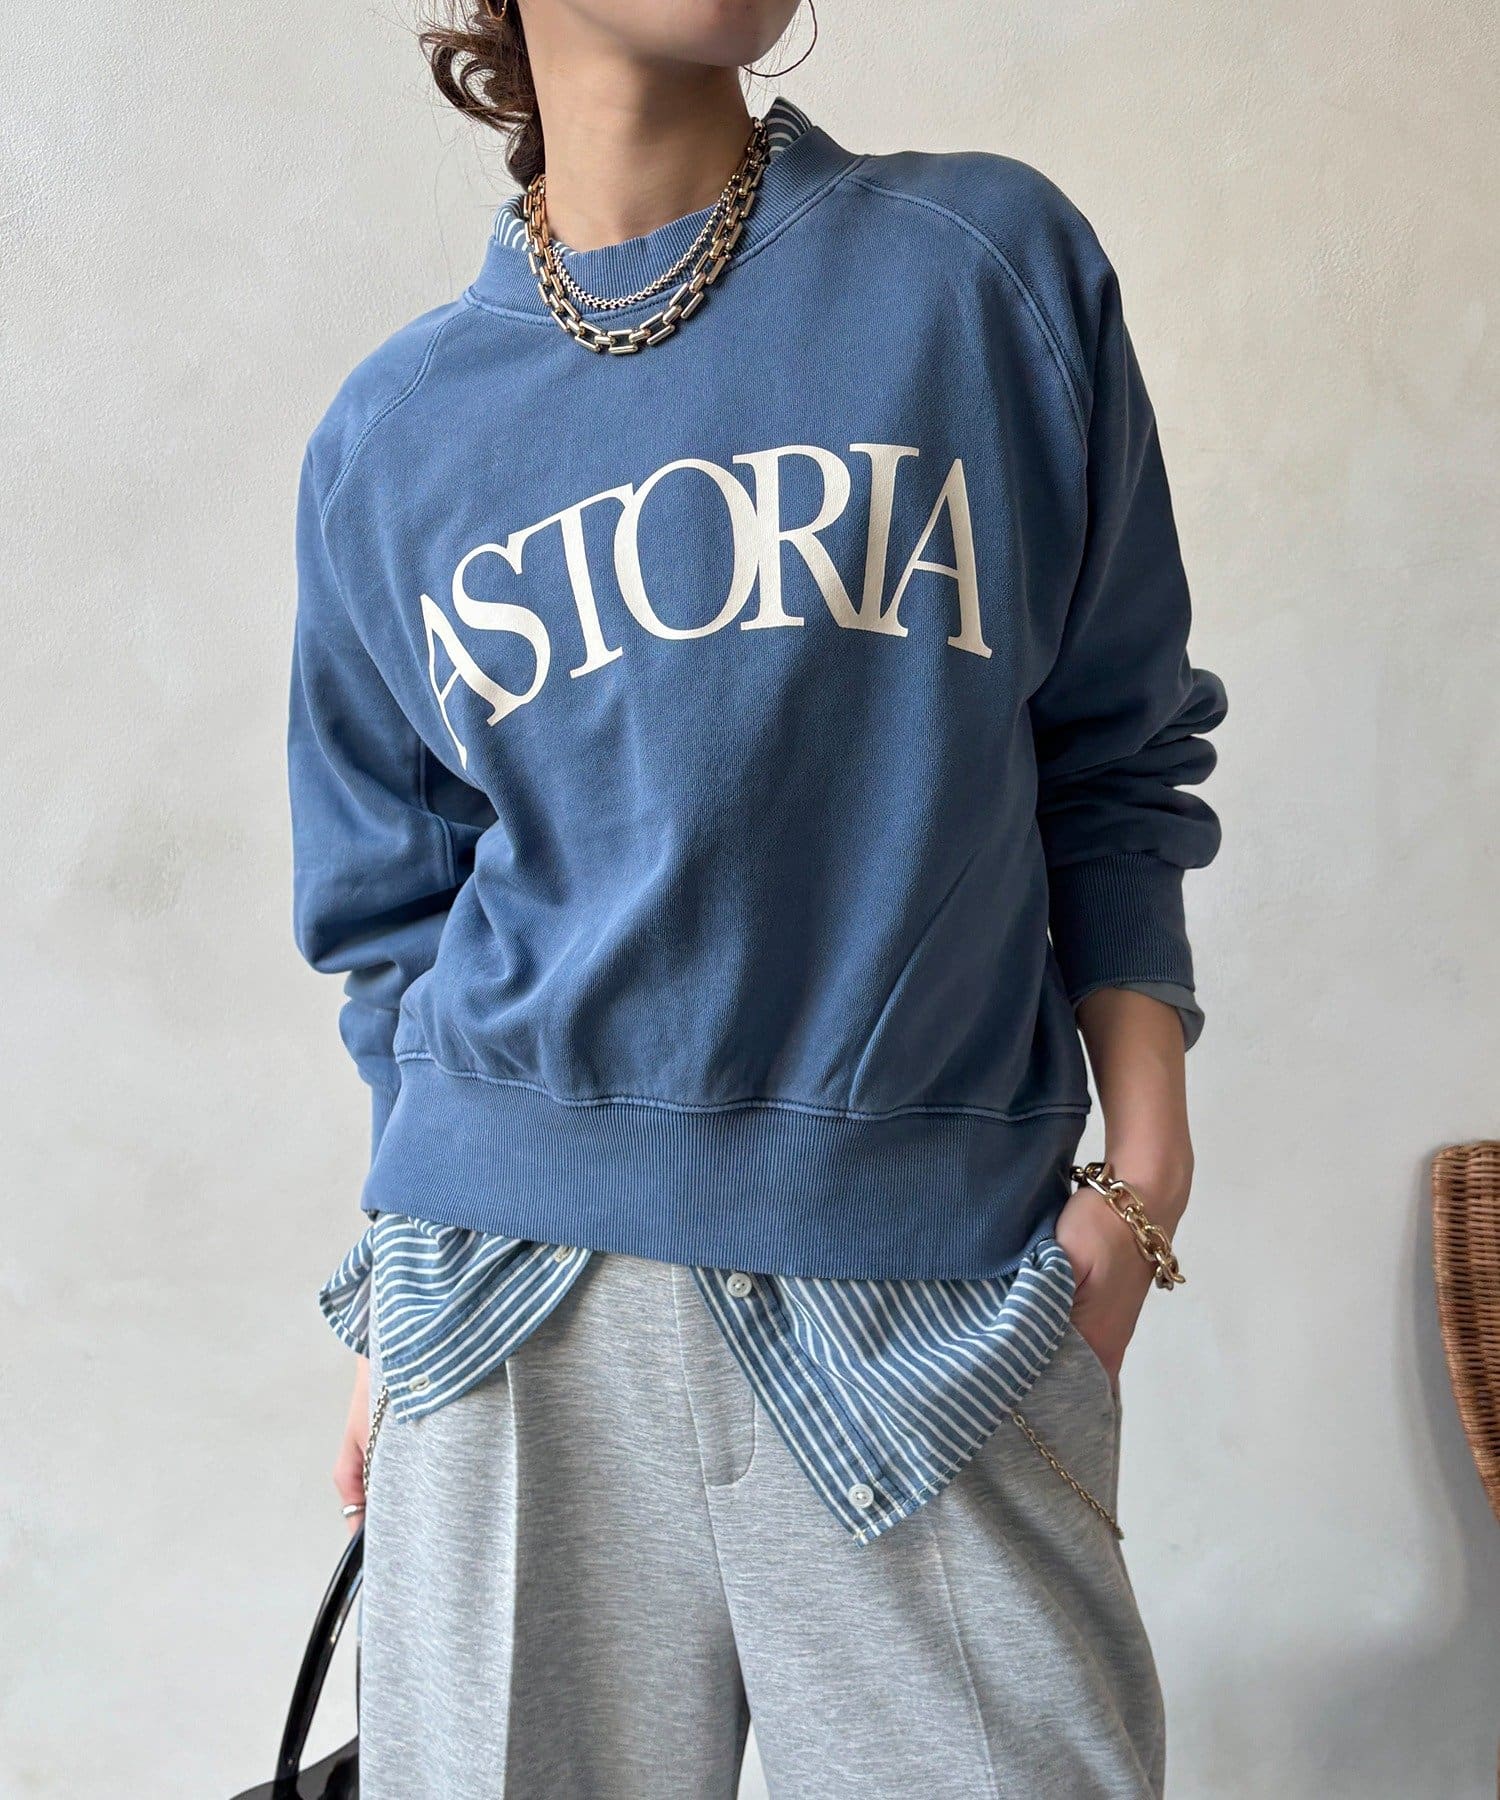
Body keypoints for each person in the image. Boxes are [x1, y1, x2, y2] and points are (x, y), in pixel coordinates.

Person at [286, 3, 1226, 1793]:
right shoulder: (395, 435)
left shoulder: (979, 272)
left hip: (932, 1300)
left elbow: (1116, 751)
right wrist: (407, 1279)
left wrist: (1146, 1175)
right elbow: (389, 917)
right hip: (501, 1313)